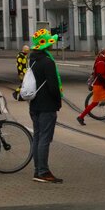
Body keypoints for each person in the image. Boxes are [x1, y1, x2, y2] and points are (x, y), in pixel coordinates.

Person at [26, 27, 65, 182]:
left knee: (37, 137)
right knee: (44, 139)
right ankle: (43, 171)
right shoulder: (47, 62)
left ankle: (37, 170)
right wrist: (58, 101)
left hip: (34, 104)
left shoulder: (32, 59)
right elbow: (53, 86)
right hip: (47, 105)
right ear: (47, 45)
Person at [76, 48, 105, 126]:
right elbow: (100, 75)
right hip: (99, 86)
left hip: (103, 86)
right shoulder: (101, 62)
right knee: (95, 103)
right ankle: (81, 117)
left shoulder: (102, 61)